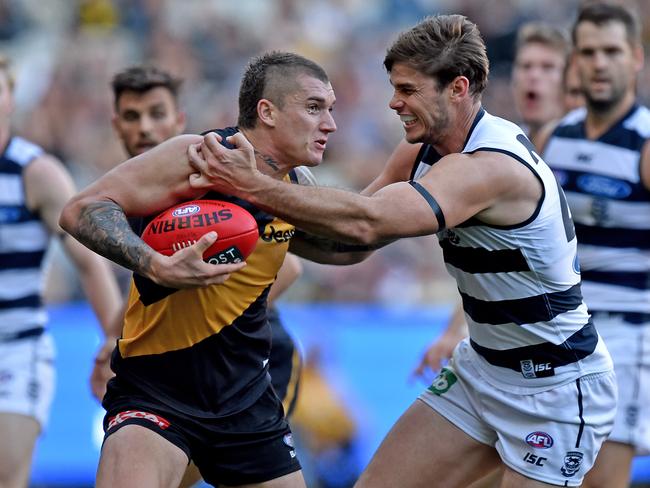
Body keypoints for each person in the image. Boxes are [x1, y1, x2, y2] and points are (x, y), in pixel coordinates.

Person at [187, 15, 617, 487]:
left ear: (457, 88)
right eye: (395, 88)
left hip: (555, 387)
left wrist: (249, 186)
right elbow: (348, 243)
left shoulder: (490, 167)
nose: (394, 103)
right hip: (483, 372)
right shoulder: (420, 153)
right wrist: (246, 219)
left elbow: (366, 221)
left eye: (408, 90)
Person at [59, 52, 369, 488]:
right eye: (315, 107)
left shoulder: (294, 191)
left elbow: (350, 247)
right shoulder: (199, 156)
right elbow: (80, 210)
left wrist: (404, 172)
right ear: (268, 112)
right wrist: (155, 264)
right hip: (157, 391)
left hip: (245, 401)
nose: (330, 124)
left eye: (331, 110)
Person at [412, 21, 575, 383]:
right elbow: (495, 265)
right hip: (517, 345)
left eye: (547, 68)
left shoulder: (589, 152)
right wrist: (456, 328)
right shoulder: (502, 145)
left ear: (570, 80)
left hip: (580, 337)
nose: (534, 77)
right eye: (525, 66)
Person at [537, 3, 650, 487]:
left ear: (636, 58)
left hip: (627, 335)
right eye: (588, 52)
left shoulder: (645, 143)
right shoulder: (553, 138)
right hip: (561, 330)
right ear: (575, 62)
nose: (600, 63)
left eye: (612, 51)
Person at [0, 55, 122, 488]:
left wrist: (114, 341)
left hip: (14, 352)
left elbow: (89, 263)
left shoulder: (38, 174)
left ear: (11, 99)